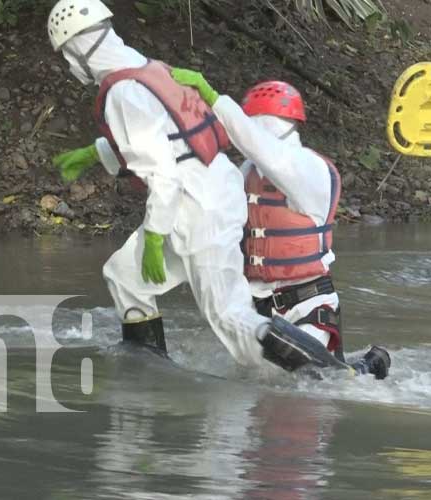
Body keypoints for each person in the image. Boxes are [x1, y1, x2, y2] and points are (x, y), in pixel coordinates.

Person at [47, 0, 354, 375]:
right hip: (202, 195)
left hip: (196, 208)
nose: (68, 64)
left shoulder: (121, 92)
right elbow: (167, 136)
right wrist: (97, 153)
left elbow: (162, 171)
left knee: (230, 317)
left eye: (66, 55)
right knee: (124, 276)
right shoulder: (145, 67)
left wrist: (156, 238)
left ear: (76, 49)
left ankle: (333, 375)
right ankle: (145, 363)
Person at [168, 70, 390, 380]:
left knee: (313, 391)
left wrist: (214, 98)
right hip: (257, 309)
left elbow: (268, 153)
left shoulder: (307, 168)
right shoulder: (246, 171)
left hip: (306, 305)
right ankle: (357, 366)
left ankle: (363, 369)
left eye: (251, 122)